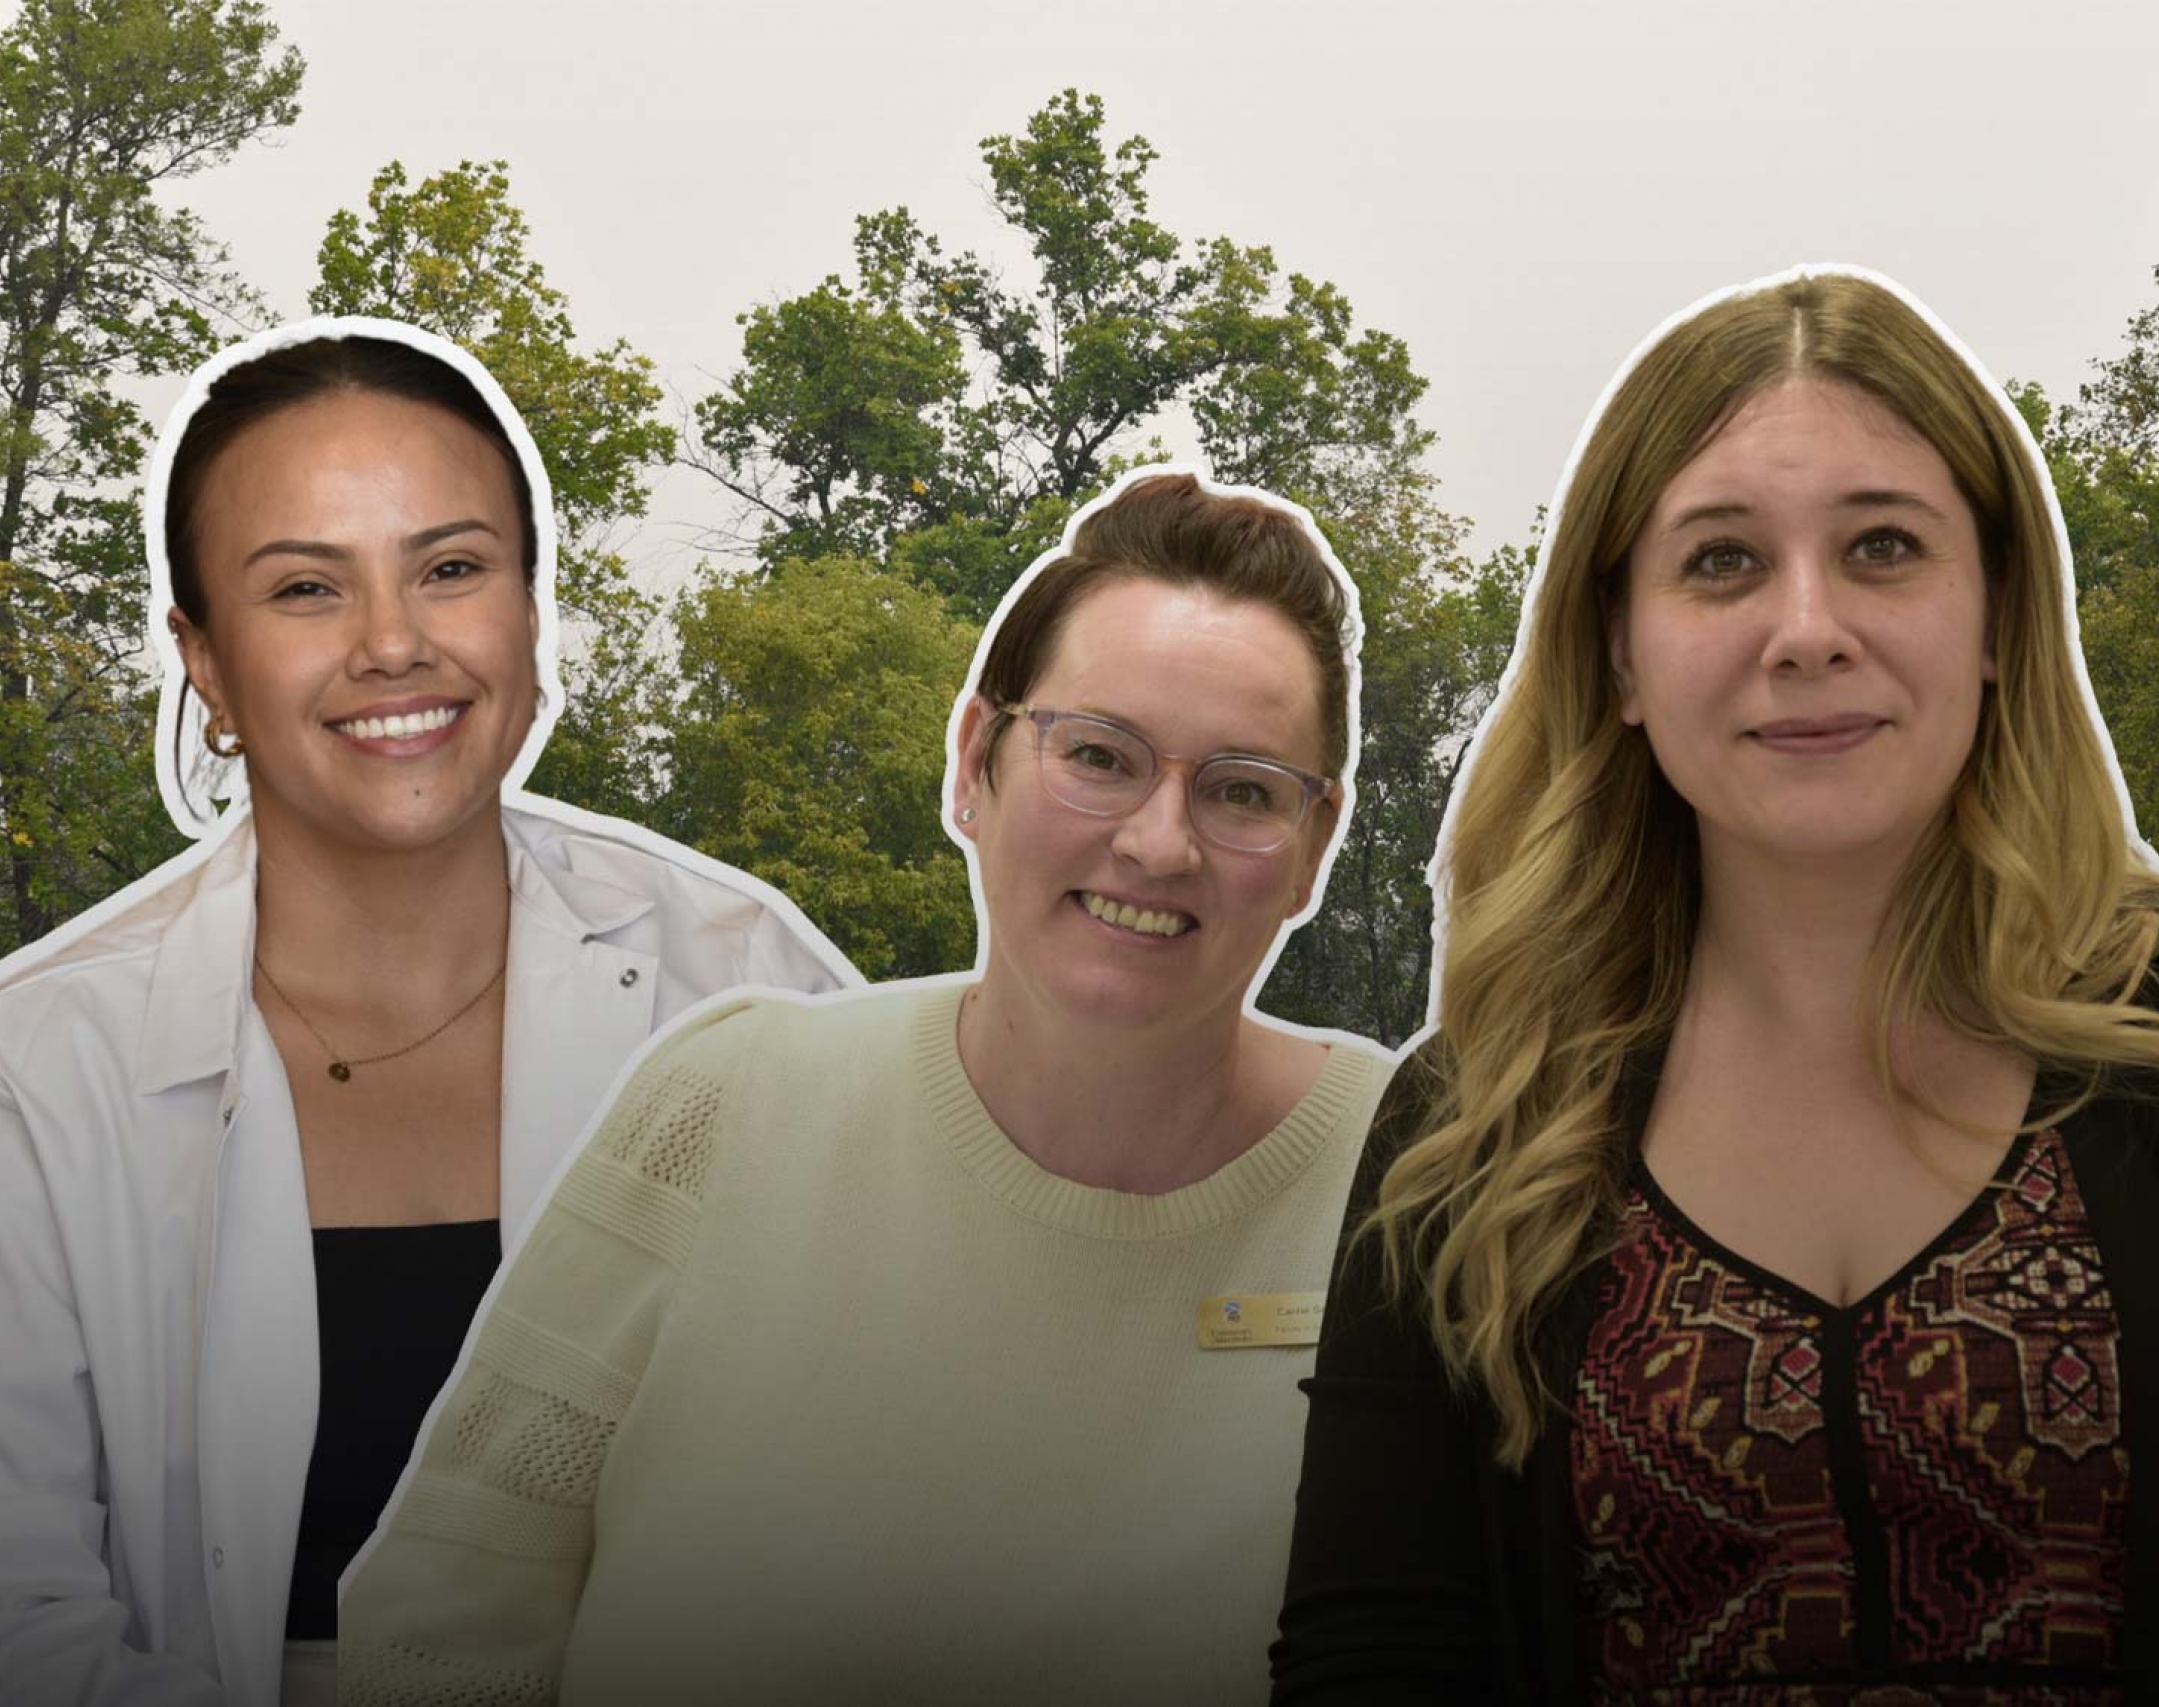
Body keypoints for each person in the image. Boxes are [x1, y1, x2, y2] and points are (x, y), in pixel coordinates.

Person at [1270, 268, 2159, 1704]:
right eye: (1721, 561)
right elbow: (1371, 1659)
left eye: (1883, 545)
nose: (1806, 627)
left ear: (1998, 616)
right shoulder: (1475, 1117)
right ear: (1619, 649)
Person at [0, 318, 854, 1707]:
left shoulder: (758, 996)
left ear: (529, 606)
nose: (395, 644)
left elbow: (881, 1494)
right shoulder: (10, 1085)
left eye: (451, 568)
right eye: (306, 590)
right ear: (202, 660)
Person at [336, 468, 1395, 1705]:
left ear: (1315, 848)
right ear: (972, 762)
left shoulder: (1412, 1189)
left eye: (1242, 791)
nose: (1160, 842)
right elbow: (443, 1619)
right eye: (1099, 756)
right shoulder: (727, 1107)